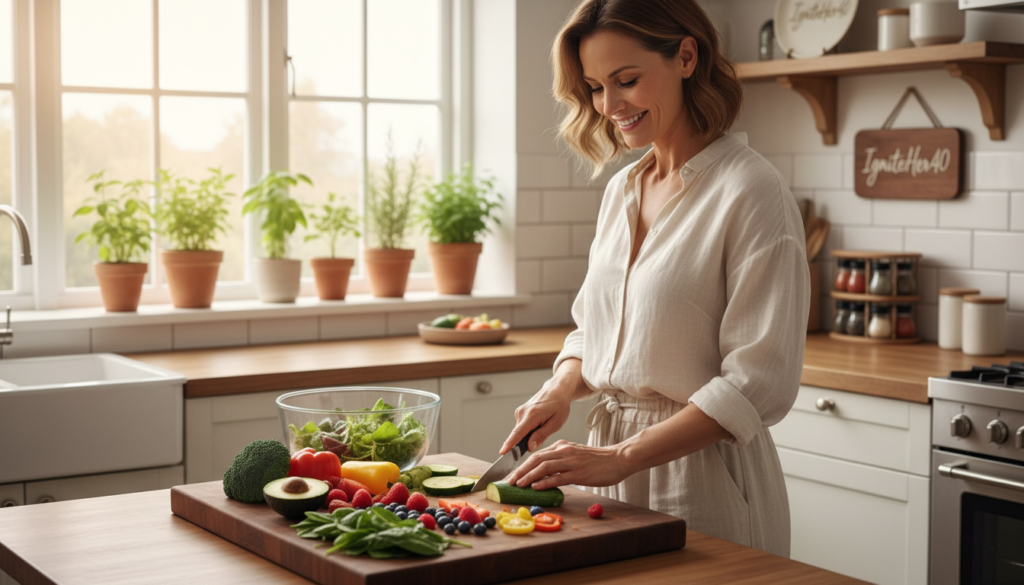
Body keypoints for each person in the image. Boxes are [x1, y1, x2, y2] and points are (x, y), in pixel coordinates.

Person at [499, 0, 809, 557]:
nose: (609, 105)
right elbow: (596, 329)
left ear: (686, 56)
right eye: (595, 86)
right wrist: (562, 386)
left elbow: (758, 383)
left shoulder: (751, 191)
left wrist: (621, 457)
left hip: (702, 478)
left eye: (627, 80)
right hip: (606, 472)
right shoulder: (622, 189)